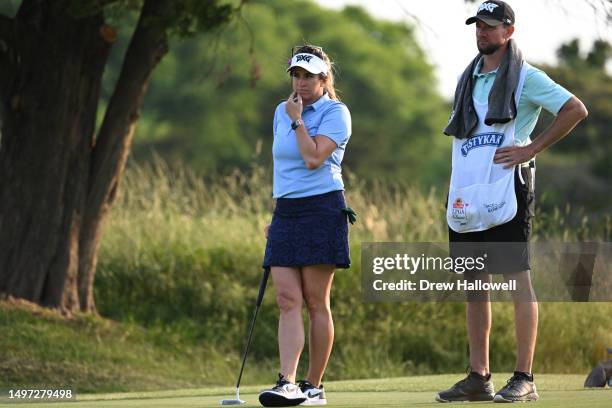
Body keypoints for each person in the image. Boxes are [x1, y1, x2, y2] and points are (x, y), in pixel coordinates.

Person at [439, 0, 588, 403]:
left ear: (509, 31)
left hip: (510, 189)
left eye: (490, 26)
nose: (481, 32)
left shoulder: (526, 76)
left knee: (516, 278)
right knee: (474, 283)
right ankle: (478, 377)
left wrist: (531, 148)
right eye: (478, 25)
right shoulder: (467, 77)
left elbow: (575, 109)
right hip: (470, 193)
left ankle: (525, 377)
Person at [258, 44, 352, 407]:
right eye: (295, 75)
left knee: (316, 301)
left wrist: (298, 120)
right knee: (286, 299)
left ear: (323, 78)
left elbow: (313, 157)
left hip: (322, 209)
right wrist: (275, 215)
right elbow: (282, 166)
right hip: (287, 212)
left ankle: (314, 386)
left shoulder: (335, 113)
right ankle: (287, 382)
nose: (300, 82)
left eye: (308, 76)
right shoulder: (281, 112)